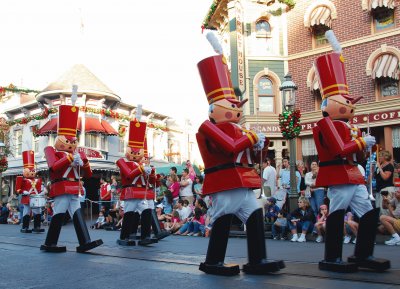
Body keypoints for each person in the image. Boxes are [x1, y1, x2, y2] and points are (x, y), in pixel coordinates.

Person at [196, 53, 283, 276]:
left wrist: (261, 145)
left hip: (241, 182)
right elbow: (230, 148)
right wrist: (252, 138)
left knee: (254, 214)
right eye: (231, 104)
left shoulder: (241, 130)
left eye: (237, 104)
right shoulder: (208, 127)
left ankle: (257, 259)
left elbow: (251, 157)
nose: (236, 108)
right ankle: (213, 261)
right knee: (223, 218)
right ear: (214, 107)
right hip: (224, 181)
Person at [312, 31, 390, 272]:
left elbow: (357, 155)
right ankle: (332, 257)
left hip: (352, 176)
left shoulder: (347, 126)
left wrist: (364, 148)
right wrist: (360, 144)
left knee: (368, 212)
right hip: (337, 175)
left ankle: (363, 254)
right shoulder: (325, 124)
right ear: (329, 104)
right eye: (344, 100)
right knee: (336, 213)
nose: (349, 105)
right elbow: (339, 149)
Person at [41, 90, 103, 253]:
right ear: (60, 139)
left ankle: (85, 241)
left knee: (77, 213)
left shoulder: (78, 154)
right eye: (68, 140)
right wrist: (69, 159)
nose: (72, 143)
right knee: (60, 212)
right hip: (61, 187)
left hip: (74, 188)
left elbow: (88, 175)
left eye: (74, 140)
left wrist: (84, 162)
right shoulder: (50, 150)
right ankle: (50, 243)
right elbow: (54, 167)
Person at [116, 117, 156, 246]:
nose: (135, 153)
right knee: (129, 214)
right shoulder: (122, 161)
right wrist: (141, 168)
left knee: (147, 212)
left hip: (141, 192)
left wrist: (151, 173)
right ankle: (124, 237)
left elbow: (150, 181)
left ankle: (145, 236)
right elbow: (128, 175)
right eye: (133, 150)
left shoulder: (142, 165)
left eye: (138, 151)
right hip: (131, 190)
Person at [15, 150, 45, 233]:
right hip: (27, 198)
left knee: (38, 211)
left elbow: (39, 188)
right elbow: (17, 189)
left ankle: (37, 226)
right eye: (30, 170)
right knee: (26, 211)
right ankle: (25, 227)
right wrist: (23, 191)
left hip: (35, 198)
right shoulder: (21, 179)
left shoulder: (38, 179)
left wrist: (42, 191)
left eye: (33, 170)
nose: (32, 172)